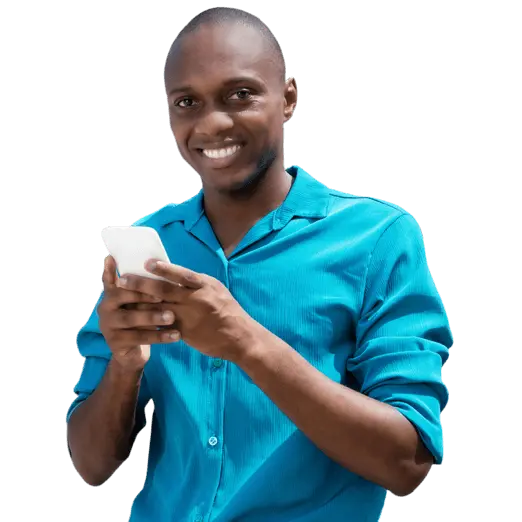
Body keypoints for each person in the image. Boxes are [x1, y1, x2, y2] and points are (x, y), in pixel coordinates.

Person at [65, 7, 453, 522]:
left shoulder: (378, 239)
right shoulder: (150, 247)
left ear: (288, 97)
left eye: (240, 94)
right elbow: (91, 465)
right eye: (187, 102)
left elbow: (407, 461)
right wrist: (124, 366)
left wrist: (245, 343)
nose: (211, 123)